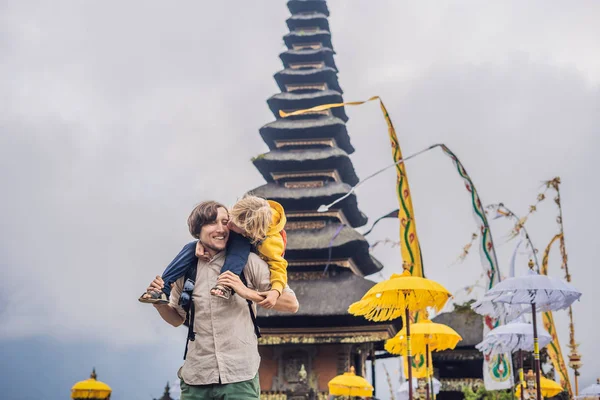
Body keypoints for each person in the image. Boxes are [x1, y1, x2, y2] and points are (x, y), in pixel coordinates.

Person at [146, 200, 298, 399]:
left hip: (240, 376)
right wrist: (159, 303)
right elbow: (177, 319)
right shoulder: (187, 269)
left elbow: (291, 303)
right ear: (197, 230)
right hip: (196, 378)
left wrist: (247, 292)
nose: (221, 229)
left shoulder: (249, 263)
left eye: (225, 222)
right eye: (211, 223)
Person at [139, 196, 287, 309]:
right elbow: (177, 320)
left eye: (229, 224)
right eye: (229, 219)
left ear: (249, 232)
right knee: (190, 247)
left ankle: (225, 284)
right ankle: (162, 289)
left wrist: (275, 291)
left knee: (240, 244)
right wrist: (200, 242)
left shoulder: (269, 245)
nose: (226, 226)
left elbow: (279, 267)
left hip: (249, 250)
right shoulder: (247, 211)